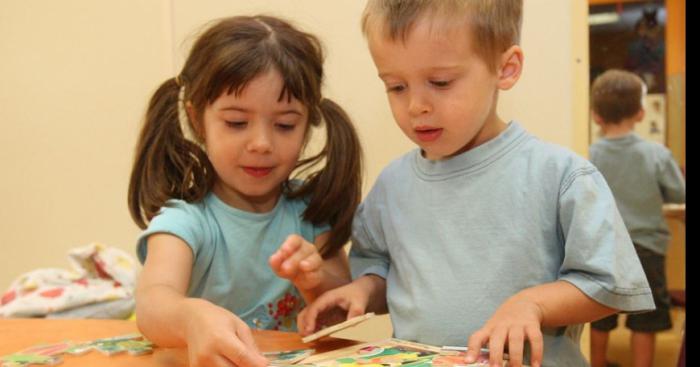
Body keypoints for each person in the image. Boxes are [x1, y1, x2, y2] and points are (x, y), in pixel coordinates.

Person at [298, 2, 655, 366]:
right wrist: (362, 290)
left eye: (440, 82)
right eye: (396, 86)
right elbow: (383, 273)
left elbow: (608, 285)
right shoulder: (391, 186)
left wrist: (533, 304)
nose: (416, 105)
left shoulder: (561, 176)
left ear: (506, 68)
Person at [127, 15, 363, 367]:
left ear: (308, 123)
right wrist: (191, 318)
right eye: (237, 122)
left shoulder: (310, 210)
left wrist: (314, 283)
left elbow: (340, 306)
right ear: (196, 119)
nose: (261, 144)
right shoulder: (186, 221)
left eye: (285, 125)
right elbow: (152, 303)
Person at [588, 69, 685, 367]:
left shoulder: (589, 154)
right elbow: (678, 193)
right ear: (641, 113)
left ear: (595, 115)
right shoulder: (656, 154)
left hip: (603, 249)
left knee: (598, 315)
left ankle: (597, 362)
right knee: (646, 319)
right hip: (647, 248)